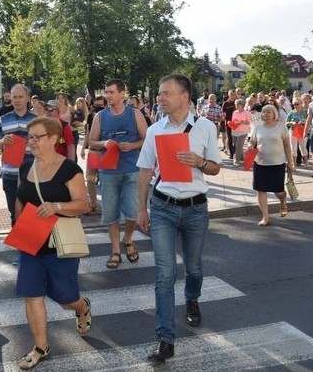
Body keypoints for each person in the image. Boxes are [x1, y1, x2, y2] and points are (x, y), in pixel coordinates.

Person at [136, 73, 221, 363]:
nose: (160, 98)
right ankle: (165, 339)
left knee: (194, 267)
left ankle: (192, 298)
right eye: (160, 93)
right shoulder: (155, 130)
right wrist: (141, 209)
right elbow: (146, 169)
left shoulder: (206, 127)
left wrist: (199, 162)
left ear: (184, 97)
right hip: (162, 208)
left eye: (166, 93)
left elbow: (215, 169)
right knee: (164, 274)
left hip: (196, 209)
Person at [14, 117, 90, 370]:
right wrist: (17, 227)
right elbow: (20, 199)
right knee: (31, 294)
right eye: (30, 137)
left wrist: (57, 206)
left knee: (66, 298)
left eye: (37, 137)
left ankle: (81, 307)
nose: (31, 141)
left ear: (53, 138)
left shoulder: (70, 169)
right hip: (31, 240)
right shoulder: (25, 167)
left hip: (60, 242)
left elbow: (83, 204)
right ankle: (40, 347)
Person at [89, 79, 148, 269]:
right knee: (110, 211)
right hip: (108, 171)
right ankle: (115, 250)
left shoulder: (135, 114)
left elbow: (147, 139)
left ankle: (128, 239)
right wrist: (104, 144)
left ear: (122, 94)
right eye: (107, 92)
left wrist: (132, 145)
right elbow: (91, 142)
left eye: (112, 92)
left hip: (132, 169)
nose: (108, 95)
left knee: (133, 212)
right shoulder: (100, 116)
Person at [0, 84, 37, 227]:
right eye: (14, 97)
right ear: (10, 98)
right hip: (9, 174)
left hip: (31, 173)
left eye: (20, 97)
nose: (17, 100)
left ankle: (30, 243)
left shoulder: (36, 119)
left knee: (31, 210)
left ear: (27, 98)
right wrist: (2, 141)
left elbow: (45, 144)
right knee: (13, 211)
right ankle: (18, 243)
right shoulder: (3, 120)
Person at [247, 104, 294, 226]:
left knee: (278, 191)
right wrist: (250, 145)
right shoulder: (258, 128)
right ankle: (265, 217)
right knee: (261, 190)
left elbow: (287, 145)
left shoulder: (281, 127)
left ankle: (283, 200)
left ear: (274, 114)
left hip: (277, 163)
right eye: (263, 112)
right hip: (260, 163)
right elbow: (252, 141)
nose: (265, 114)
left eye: (269, 112)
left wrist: (290, 161)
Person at [80, 95, 106, 214]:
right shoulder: (91, 116)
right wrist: (83, 148)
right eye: (96, 106)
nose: (98, 108)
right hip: (94, 151)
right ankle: (93, 203)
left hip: (106, 152)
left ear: (105, 105)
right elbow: (88, 132)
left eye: (100, 106)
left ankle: (108, 204)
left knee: (106, 180)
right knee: (90, 179)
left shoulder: (110, 116)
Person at [285, 99, 309, 168]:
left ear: (301, 103)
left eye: (297, 104)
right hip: (293, 132)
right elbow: (286, 123)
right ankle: (294, 165)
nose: (295, 106)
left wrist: (304, 122)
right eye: (294, 104)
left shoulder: (305, 112)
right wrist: (291, 123)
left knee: (303, 147)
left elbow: (310, 121)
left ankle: (306, 162)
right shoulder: (291, 112)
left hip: (303, 132)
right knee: (293, 149)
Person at [230, 98, 251, 167]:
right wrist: (231, 123)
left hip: (243, 132)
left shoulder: (246, 113)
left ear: (242, 105)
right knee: (237, 145)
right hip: (235, 131)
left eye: (237, 104)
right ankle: (242, 158)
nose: (235, 106)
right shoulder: (234, 112)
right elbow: (233, 121)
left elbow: (248, 122)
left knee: (239, 146)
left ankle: (237, 161)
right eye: (235, 104)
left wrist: (242, 122)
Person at [222, 89, 237, 159]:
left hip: (237, 124)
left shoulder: (237, 103)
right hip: (228, 123)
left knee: (236, 139)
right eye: (231, 94)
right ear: (228, 94)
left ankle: (234, 150)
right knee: (230, 138)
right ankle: (231, 153)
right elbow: (223, 113)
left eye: (234, 94)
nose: (232, 95)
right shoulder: (225, 103)